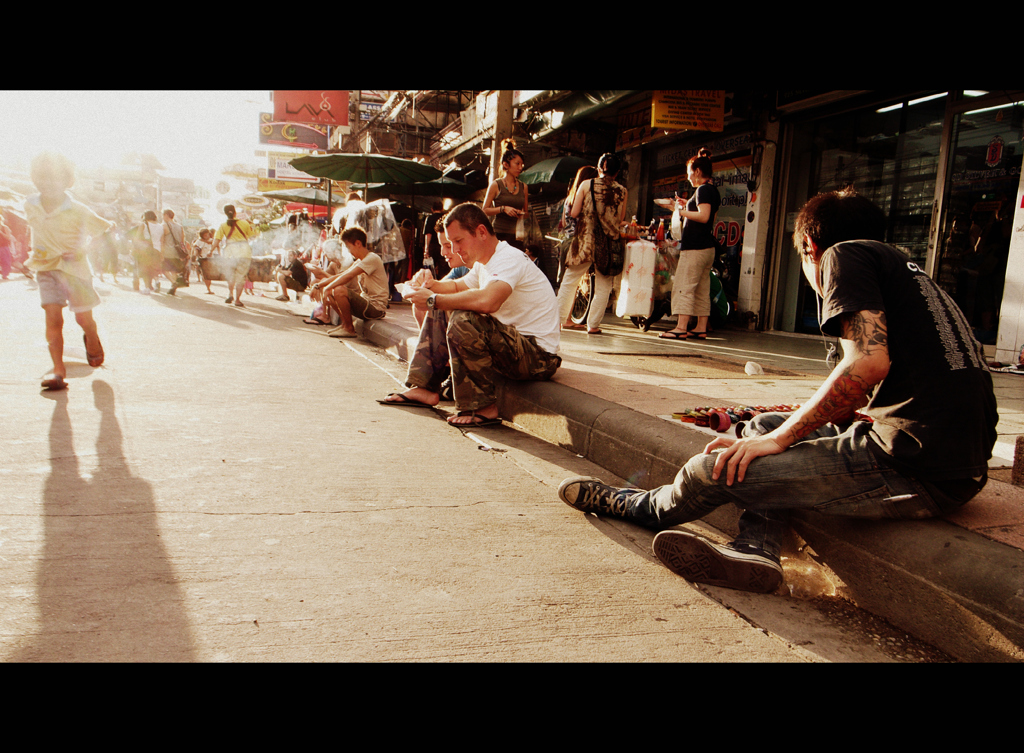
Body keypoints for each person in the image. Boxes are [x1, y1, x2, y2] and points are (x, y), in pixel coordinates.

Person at [558, 189, 998, 594]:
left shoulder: (841, 256)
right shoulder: (907, 270)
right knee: (763, 426)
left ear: (810, 249)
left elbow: (867, 362)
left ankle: (637, 505)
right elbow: (877, 383)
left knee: (716, 468)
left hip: (917, 468)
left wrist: (783, 439)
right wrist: (778, 431)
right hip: (952, 458)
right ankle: (756, 550)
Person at [382, 203, 561, 428]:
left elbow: (488, 301)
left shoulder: (508, 259)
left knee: (461, 318)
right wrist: (430, 285)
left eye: (458, 241)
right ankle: (424, 387)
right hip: (514, 347)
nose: (454, 249)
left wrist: (432, 299)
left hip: (539, 357)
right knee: (441, 307)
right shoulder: (484, 263)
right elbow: (458, 288)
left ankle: (483, 406)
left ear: (481, 232)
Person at [23, 151, 113, 390]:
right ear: (34, 179)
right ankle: (58, 370)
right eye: (42, 177)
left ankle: (92, 339)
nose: (48, 183)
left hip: (76, 273)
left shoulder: (78, 209)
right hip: (46, 269)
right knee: (53, 318)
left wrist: (82, 251)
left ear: (67, 181)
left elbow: (103, 232)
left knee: (84, 318)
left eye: (55, 178)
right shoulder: (29, 205)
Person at [556, 155, 626, 335]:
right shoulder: (622, 191)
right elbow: (620, 219)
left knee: (570, 281)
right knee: (604, 286)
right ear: (617, 172)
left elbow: (575, 211)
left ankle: (556, 321)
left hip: (585, 241)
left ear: (599, 167)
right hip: (609, 243)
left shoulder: (586, 185)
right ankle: (593, 325)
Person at [660, 148, 720, 340]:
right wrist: (686, 204)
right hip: (707, 248)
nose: (688, 178)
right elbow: (704, 212)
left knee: (684, 285)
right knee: (702, 288)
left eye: (689, 173)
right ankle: (701, 327)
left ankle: (681, 327)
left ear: (696, 171)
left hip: (695, 248)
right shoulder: (711, 190)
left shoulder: (702, 190)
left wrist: (678, 211)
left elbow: (703, 216)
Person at [309, 225, 388, 338]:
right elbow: (341, 275)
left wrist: (327, 287)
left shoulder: (372, 258)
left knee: (339, 289)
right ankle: (345, 324)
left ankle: (349, 328)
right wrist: (318, 285)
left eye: (348, 247)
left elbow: (348, 276)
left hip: (376, 308)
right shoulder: (360, 261)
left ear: (357, 243)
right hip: (366, 304)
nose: (349, 251)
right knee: (332, 290)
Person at [410, 216, 470, 328]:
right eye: (441, 246)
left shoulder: (487, 264)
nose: (442, 252)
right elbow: (449, 285)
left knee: (437, 307)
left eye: (448, 246)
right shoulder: (461, 267)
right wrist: (424, 283)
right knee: (422, 303)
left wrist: (434, 298)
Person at [482, 137, 529, 251]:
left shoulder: (524, 187)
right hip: (498, 234)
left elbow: (526, 213)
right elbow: (485, 210)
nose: (520, 168)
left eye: (522, 164)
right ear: (506, 165)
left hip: (517, 235)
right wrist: (503, 209)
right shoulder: (496, 185)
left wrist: (520, 213)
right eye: (517, 164)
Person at [556, 165, 598, 287]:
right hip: (577, 243)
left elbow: (563, 222)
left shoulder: (569, 198)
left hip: (565, 242)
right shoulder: (585, 199)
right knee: (572, 283)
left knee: (565, 281)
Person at [213, 204, 254, 307]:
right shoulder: (244, 223)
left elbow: (216, 240)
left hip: (229, 253)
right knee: (240, 277)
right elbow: (252, 236)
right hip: (244, 252)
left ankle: (230, 294)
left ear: (226, 213)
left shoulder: (223, 225)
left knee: (231, 276)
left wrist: (211, 251)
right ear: (235, 212)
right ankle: (237, 300)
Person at [130, 210, 163, 294]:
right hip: (157, 250)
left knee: (145, 269)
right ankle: (157, 282)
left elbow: (137, 238)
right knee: (155, 268)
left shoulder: (143, 224)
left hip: (146, 250)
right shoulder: (160, 226)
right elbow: (162, 240)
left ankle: (147, 288)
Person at [161, 209, 188, 295]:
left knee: (163, 269)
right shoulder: (180, 226)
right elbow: (182, 241)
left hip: (167, 251)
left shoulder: (164, 226)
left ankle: (173, 282)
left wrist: (161, 252)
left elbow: (162, 240)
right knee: (173, 270)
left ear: (166, 215)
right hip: (177, 252)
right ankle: (173, 286)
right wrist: (183, 253)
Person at [191, 228, 216, 294]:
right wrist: (195, 257)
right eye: (205, 235)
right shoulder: (198, 241)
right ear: (202, 235)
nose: (206, 236)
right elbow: (195, 249)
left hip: (211, 259)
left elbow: (214, 244)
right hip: (202, 259)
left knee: (209, 275)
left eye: (207, 234)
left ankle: (208, 287)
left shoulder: (211, 240)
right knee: (205, 275)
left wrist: (211, 252)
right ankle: (208, 289)